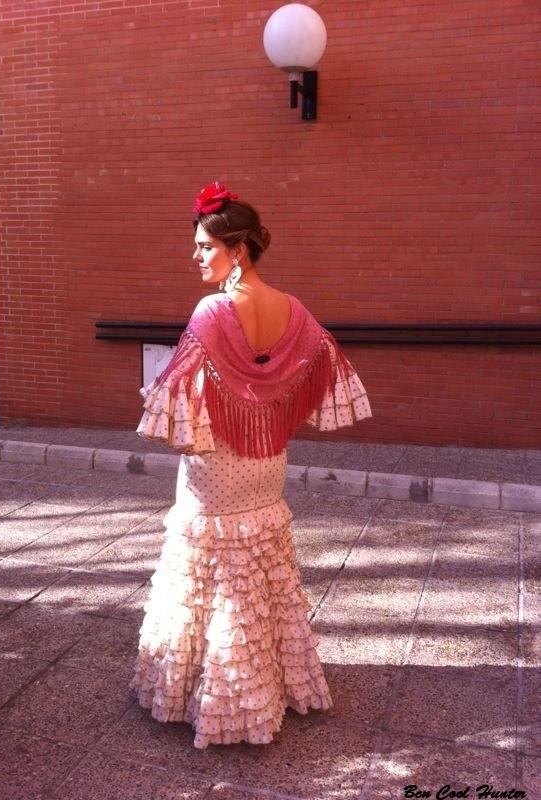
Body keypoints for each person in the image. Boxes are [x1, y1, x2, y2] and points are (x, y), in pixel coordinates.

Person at [129, 180, 373, 749]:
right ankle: (273, 680)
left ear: (237, 249)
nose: (196, 257)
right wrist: (271, 399)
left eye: (205, 247)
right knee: (259, 572)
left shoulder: (212, 310)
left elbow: (178, 396)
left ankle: (216, 694)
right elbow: (323, 361)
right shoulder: (292, 308)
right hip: (267, 458)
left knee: (210, 576)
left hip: (217, 464)